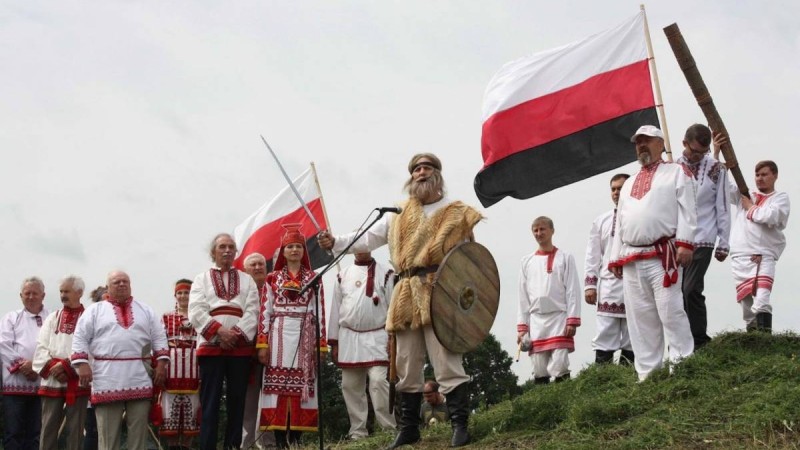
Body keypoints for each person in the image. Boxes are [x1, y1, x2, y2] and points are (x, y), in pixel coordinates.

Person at [318, 153, 482, 448]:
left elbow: (469, 258)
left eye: (427, 168)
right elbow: (367, 238)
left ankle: (459, 425)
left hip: (439, 289)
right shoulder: (398, 214)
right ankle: (409, 429)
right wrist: (337, 242)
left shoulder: (456, 212)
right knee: (406, 364)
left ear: (438, 175)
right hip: (406, 290)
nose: (421, 172)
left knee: (446, 360)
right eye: (416, 169)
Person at [608, 125, 697, 382]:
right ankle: (647, 373)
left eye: (647, 141)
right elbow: (619, 222)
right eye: (638, 142)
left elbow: (688, 210)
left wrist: (685, 243)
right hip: (632, 258)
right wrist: (615, 256)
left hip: (663, 255)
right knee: (639, 317)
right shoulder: (628, 184)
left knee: (670, 310)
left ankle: (682, 366)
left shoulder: (677, 172)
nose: (642, 146)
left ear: (661, 143)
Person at [71, 271, 169, 450]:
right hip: (107, 378)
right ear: (108, 287)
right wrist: (83, 365)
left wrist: (161, 365)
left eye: (125, 281)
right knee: (108, 438)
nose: (122, 284)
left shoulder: (145, 310)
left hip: (139, 376)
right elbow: (80, 338)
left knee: (138, 436)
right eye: (117, 282)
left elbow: (159, 337)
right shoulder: (95, 310)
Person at [256, 224, 328, 449]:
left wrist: (321, 345)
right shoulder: (272, 278)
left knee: (302, 388)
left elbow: (320, 311)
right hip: (278, 335)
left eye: (298, 246)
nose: (294, 250)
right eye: (290, 247)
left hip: (305, 335)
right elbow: (264, 312)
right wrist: (262, 344)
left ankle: (296, 439)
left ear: (303, 251)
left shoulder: (314, 277)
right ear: (283, 251)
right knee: (277, 388)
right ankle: (280, 442)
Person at [189, 233, 260, 450]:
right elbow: (196, 310)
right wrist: (220, 332)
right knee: (210, 402)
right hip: (211, 347)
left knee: (237, 402)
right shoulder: (201, 279)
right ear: (213, 252)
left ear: (236, 252)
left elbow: (253, 310)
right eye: (222, 247)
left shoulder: (247, 279)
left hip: (239, 349)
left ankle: (232, 446)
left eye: (231, 247)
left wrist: (235, 334)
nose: (227, 250)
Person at [328, 251, 397, 440]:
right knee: (350, 385)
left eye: (364, 244)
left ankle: (388, 429)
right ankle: (358, 431)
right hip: (349, 337)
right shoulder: (342, 275)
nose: (360, 248)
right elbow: (335, 308)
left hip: (378, 335)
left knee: (378, 381)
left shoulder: (386, 273)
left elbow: (393, 307)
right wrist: (334, 342)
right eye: (356, 244)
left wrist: (393, 337)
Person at [677, 124, 731, 349]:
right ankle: (681, 341)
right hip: (678, 240)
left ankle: (700, 339)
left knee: (691, 290)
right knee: (676, 293)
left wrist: (724, 242)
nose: (698, 156)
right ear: (684, 144)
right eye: (694, 151)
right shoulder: (673, 167)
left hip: (704, 239)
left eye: (703, 152)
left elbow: (724, 206)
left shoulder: (717, 169)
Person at [725, 158, 790, 333]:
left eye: (764, 174)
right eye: (757, 175)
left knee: (762, 298)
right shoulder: (745, 195)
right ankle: (752, 339)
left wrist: (751, 208)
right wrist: (716, 156)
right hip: (740, 254)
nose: (760, 178)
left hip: (764, 255)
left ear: (774, 176)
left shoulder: (780, 198)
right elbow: (722, 186)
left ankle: (765, 339)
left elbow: (772, 216)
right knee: (746, 302)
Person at [517, 217, 581, 384]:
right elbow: (522, 297)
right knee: (539, 367)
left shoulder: (565, 258)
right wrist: (522, 327)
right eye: (536, 230)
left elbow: (573, 290)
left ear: (552, 230)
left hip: (559, 318)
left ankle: (565, 401)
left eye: (542, 229)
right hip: (536, 320)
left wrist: (572, 320)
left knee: (560, 364)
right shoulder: (526, 262)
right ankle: (543, 406)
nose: (539, 233)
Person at [33, 275, 90, 450]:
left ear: (79, 292)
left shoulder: (88, 318)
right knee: (48, 426)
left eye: (67, 291)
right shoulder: (53, 317)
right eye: (61, 291)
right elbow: (41, 347)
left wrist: (68, 367)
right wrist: (54, 368)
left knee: (76, 429)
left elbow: (93, 348)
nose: (63, 295)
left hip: (77, 378)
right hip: (52, 378)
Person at [584, 174, 635, 365]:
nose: (616, 193)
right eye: (613, 189)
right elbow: (592, 255)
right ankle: (602, 378)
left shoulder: (640, 216)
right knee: (605, 330)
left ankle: (628, 375)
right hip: (608, 285)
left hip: (634, 281)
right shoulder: (601, 221)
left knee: (633, 332)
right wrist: (590, 285)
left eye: (620, 188)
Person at [0, 276, 50, 450]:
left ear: (43, 295)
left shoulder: (52, 318)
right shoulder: (10, 318)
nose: (30, 297)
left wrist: (36, 366)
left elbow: (56, 347)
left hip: (43, 384)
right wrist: (23, 366)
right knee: (13, 433)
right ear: (20, 295)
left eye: (35, 293)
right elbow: (3, 344)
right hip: (14, 385)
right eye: (27, 293)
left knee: (36, 433)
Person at [158, 279, 200, 449]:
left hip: (195, 373)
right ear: (175, 295)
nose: (183, 296)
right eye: (180, 293)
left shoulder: (199, 316)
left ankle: (187, 447)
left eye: (187, 292)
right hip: (171, 373)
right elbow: (160, 344)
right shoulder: (166, 318)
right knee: (169, 415)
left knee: (192, 415)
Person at [241, 252, 276, 450]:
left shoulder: (274, 290)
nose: (257, 268)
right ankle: (246, 444)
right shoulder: (241, 293)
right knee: (248, 401)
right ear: (245, 270)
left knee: (271, 399)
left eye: (261, 264)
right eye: (253, 265)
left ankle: (269, 443)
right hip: (247, 355)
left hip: (275, 353)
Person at [83, 285, 107, 450]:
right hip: (93, 382)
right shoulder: (88, 320)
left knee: (108, 431)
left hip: (114, 385)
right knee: (91, 429)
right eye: (104, 299)